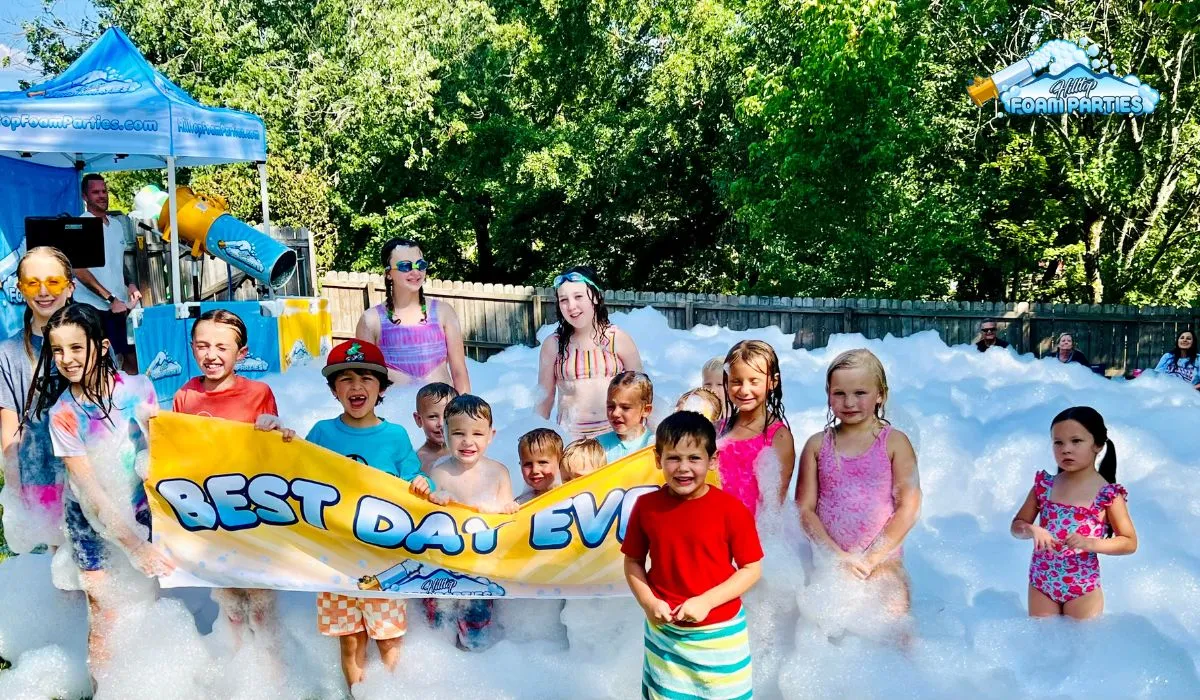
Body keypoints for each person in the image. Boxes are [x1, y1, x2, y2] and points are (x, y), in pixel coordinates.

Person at [33, 304, 172, 683]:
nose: (67, 359)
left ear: (103, 345)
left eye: (77, 348)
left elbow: (162, 452)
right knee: (105, 610)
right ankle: (105, 689)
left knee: (147, 600)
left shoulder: (138, 388)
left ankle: (149, 683)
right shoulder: (63, 413)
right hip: (90, 520)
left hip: (140, 508)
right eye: (58, 350)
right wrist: (133, 546)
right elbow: (89, 490)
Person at [305, 339, 430, 690]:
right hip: (337, 560)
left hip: (384, 560)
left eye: (366, 378)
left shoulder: (395, 435)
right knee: (350, 638)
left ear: (381, 387)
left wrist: (424, 484)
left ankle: (393, 694)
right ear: (334, 390)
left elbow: (414, 481)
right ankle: (356, 694)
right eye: (345, 379)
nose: (356, 386)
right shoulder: (321, 433)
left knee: (388, 638)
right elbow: (294, 479)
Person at [172, 309, 293, 658]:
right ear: (193, 348)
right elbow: (179, 454)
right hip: (212, 516)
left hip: (253, 513)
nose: (211, 355)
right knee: (230, 603)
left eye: (222, 348)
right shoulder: (185, 396)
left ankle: (272, 676)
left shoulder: (258, 392)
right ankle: (239, 673)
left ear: (241, 354)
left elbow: (274, 451)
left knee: (260, 600)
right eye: (203, 346)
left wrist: (277, 429)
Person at [622, 411, 762, 699]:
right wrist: (648, 602)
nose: (683, 468)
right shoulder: (647, 507)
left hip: (719, 633)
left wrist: (707, 601)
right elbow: (633, 560)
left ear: (712, 460)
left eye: (694, 458)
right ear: (657, 459)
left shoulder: (730, 510)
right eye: (673, 457)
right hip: (667, 633)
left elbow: (751, 568)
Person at [796, 349, 921, 619]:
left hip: (883, 563)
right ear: (828, 394)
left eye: (860, 393)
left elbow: (908, 507)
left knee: (894, 626)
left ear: (881, 395)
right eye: (839, 393)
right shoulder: (818, 445)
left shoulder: (894, 442)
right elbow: (804, 508)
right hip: (831, 561)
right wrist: (836, 556)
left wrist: (871, 559)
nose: (849, 402)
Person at [1010, 407, 1137, 619]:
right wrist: (1032, 530)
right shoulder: (1044, 486)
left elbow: (1129, 542)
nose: (1066, 449)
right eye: (1058, 442)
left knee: (1080, 647)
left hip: (1082, 588)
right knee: (1042, 643)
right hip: (1042, 583)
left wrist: (1090, 543)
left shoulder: (1107, 494)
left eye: (1076, 441)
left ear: (1097, 445)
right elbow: (1016, 526)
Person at [419, 394, 517, 651]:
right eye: (459, 433)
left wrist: (501, 508)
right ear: (446, 433)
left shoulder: (498, 472)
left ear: (491, 435)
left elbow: (510, 517)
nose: (467, 441)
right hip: (442, 570)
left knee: (476, 633)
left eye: (477, 434)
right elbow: (426, 518)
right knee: (437, 630)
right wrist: (436, 499)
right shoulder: (440, 471)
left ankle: (475, 672)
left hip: (481, 570)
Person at [0, 247, 75, 550]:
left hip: (93, 474)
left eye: (53, 282)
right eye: (32, 283)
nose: (44, 291)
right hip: (41, 475)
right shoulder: (9, 353)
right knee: (60, 568)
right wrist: (16, 491)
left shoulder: (94, 343)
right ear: (19, 289)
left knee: (97, 571)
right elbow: (9, 428)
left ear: (70, 287)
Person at [535, 266, 642, 439]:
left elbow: (642, 393)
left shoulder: (618, 340)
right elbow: (544, 400)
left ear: (596, 297)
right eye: (563, 300)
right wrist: (535, 439)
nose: (571, 306)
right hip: (572, 442)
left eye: (578, 296)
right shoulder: (553, 345)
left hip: (616, 440)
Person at [354, 238, 470, 393]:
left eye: (420, 265)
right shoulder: (371, 320)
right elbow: (364, 379)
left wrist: (465, 414)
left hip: (442, 411)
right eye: (405, 266)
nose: (415, 272)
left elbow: (459, 373)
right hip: (395, 409)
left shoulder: (444, 312)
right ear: (388, 274)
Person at [717, 340, 795, 517]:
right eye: (736, 381)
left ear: (772, 382)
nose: (744, 390)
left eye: (754, 381)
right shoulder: (719, 428)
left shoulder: (778, 437)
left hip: (757, 535)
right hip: (717, 529)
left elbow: (774, 506)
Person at [75, 174, 141, 374]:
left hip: (119, 307)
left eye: (104, 191)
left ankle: (133, 403)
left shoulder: (117, 225)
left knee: (131, 359)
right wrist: (110, 298)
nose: (102, 196)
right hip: (92, 308)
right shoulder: (80, 225)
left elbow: (119, 261)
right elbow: (78, 270)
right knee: (99, 364)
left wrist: (131, 284)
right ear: (84, 196)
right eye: (96, 192)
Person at [596, 371, 654, 462]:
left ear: (646, 410)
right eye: (610, 406)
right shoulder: (598, 446)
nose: (615, 413)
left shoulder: (654, 445)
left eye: (625, 407)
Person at [413, 381, 459, 470]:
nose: (441, 424)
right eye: (433, 417)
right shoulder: (417, 461)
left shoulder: (467, 452)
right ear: (419, 420)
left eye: (447, 416)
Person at [515, 428, 563, 504]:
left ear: (560, 461)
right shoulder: (521, 502)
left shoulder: (569, 492)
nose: (535, 470)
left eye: (542, 462)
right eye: (527, 464)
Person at [700, 356, 726, 423]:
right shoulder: (699, 410)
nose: (712, 390)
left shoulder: (736, 415)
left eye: (720, 385)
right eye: (708, 384)